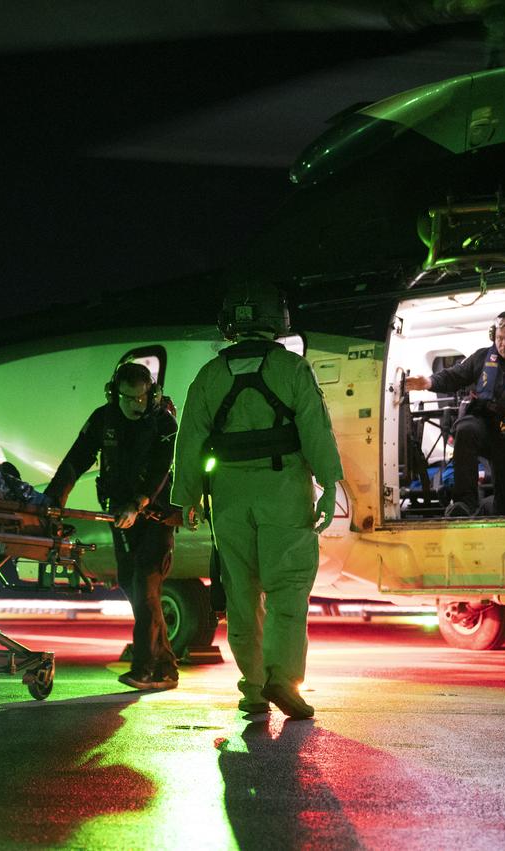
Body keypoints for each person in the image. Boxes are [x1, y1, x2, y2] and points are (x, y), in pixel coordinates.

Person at [170, 284, 344, 720]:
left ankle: (252, 688)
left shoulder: (209, 375)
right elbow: (316, 429)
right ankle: (282, 679)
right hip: (283, 489)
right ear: (277, 320)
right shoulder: (292, 368)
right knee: (288, 588)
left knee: (241, 593)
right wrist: (328, 484)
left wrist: (186, 497)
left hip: (228, 495)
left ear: (230, 323)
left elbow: (188, 440)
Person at [46, 361, 180, 691]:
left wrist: (138, 503)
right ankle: (166, 666)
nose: (136, 405)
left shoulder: (164, 423)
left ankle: (144, 668)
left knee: (145, 584)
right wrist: (52, 500)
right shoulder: (102, 419)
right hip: (120, 515)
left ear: (152, 394)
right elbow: (76, 459)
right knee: (131, 584)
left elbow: (161, 470)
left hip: (156, 517)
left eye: (142, 398)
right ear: (113, 395)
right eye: (128, 398)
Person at [403, 309, 505, 516]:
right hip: (484, 425)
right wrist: (429, 382)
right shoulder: (482, 357)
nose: (504, 344)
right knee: (466, 428)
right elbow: (453, 376)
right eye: (500, 338)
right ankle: (464, 503)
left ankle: (501, 510)